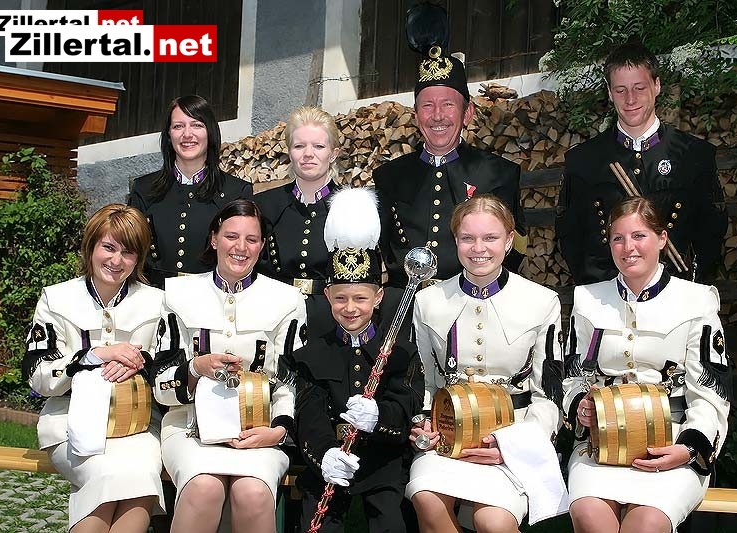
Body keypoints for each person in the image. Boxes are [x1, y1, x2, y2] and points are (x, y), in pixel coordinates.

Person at [562, 197, 731, 533]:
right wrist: (579, 406)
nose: (628, 248)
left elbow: (710, 392)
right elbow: (573, 377)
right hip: (600, 444)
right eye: (618, 238)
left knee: (646, 525)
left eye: (639, 236)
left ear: (662, 239)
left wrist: (688, 448)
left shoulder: (697, 301)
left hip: (672, 442)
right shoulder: (587, 299)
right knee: (589, 516)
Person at [408, 194, 568, 533]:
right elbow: (423, 383)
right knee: (426, 497)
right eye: (468, 238)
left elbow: (549, 394)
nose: (478, 248)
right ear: (455, 240)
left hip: (513, 437)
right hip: (447, 436)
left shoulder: (542, 302)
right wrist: (423, 424)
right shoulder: (427, 301)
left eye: (490, 237)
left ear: (509, 241)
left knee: (492, 522)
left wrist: (514, 445)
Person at [152, 199, 306, 533]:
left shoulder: (287, 300)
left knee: (252, 492)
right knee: (204, 487)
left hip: (261, 431)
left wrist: (279, 430)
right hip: (189, 428)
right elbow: (161, 384)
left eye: (252, 239)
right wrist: (194, 368)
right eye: (231, 236)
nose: (241, 247)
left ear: (262, 246)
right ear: (214, 239)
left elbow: (292, 382)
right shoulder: (178, 293)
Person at [22, 204, 165, 532]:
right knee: (106, 474)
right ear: (90, 247)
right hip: (67, 424)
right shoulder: (55, 299)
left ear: (139, 258)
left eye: (128, 252)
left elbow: (169, 369)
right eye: (108, 247)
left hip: (138, 426)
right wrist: (91, 356)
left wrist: (142, 363)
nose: (116, 260)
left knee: (142, 476)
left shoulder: (158, 302)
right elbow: (37, 375)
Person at [293, 187, 424, 533]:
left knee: (391, 524)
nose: (350, 308)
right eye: (341, 298)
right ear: (327, 296)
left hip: (383, 464)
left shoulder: (401, 353)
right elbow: (309, 415)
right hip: (331, 461)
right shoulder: (312, 355)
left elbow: (406, 406)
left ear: (378, 297)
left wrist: (379, 418)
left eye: (361, 298)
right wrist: (324, 456)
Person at [374, 2, 527, 288]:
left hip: (472, 299)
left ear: (467, 113)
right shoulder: (388, 178)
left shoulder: (498, 174)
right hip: (405, 305)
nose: (438, 116)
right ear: (415, 116)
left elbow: (515, 247)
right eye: (427, 106)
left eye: (448, 104)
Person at [555, 42, 728, 285]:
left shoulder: (695, 155)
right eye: (621, 90)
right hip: (606, 295)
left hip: (675, 291)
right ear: (609, 92)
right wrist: (599, 289)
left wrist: (690, 289)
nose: (630, 99)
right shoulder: (583, 161)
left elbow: (712, 233)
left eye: (639, 87)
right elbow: (570, 237)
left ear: (657, 86)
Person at [128, 95, 253, 288]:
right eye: (178, 126)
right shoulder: (144, 189)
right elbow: (130, 250)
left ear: (210, 132)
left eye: (197, 125)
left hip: (212, 298)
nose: (187, 134)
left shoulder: (236, 192)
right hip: (153, 297)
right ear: (169, 135)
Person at [254, 106, 342, 339]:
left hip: (332, 322)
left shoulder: (350, 206)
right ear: (289, 152)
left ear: (333, 153)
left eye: (318, 146)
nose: (308, 154)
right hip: (273, 318)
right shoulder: (264, 205)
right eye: (299, 146)